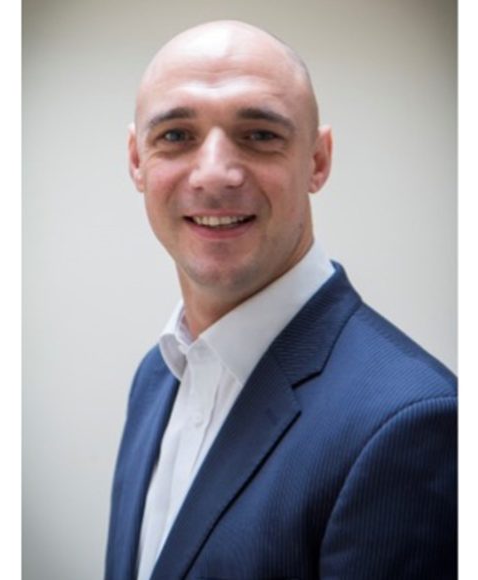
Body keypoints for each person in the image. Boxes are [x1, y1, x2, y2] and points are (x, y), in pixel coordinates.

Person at [105, 20, 457, 579]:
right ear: (136, 161)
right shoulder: (156, 376)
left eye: (259, 135)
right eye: (175, 135)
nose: (214, 174)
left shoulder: (411, 421)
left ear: (317, 161)